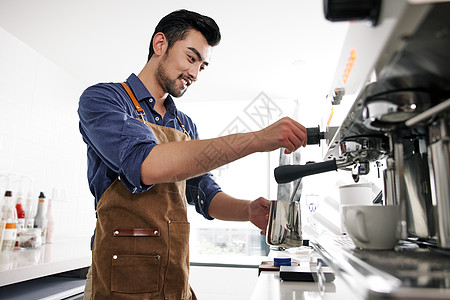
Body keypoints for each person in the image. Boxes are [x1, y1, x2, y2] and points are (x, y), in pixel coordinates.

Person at [78, 9, 307, 300]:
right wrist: (257, 139)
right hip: (117, 278)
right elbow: (145, 164)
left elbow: (204, 194)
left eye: (202, 66)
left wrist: (247, 210)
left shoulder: (185, 125)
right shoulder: (104, 100)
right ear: (160, 44)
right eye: (191, 58)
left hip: (174, 275)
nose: (195, 74)